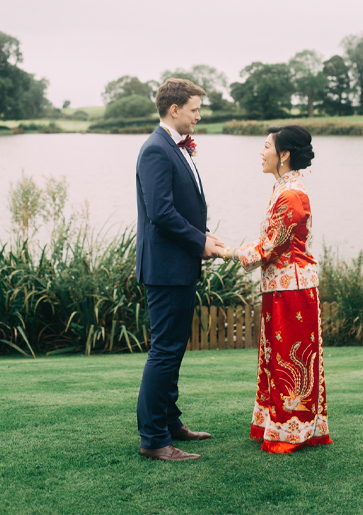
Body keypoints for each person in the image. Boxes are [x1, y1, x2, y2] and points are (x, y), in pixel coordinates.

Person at [218, 125, 331, 454]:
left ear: (284, 155)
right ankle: (285, 425)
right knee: (278, 356)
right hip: (283, 287)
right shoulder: (284, 188)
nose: (261, 151)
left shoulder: (291, 195)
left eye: (266, 146)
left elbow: (270, 247)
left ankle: (290, 432)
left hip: (292, 290)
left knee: (289, 359)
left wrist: (225, 251)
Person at [134, 78, 224, 461]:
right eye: (194, 109)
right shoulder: (156, 149)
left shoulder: (174, 147)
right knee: (165, 352)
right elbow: (161, 213)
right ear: (174, 110)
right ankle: (154, 439)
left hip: (178, 264)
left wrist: (203, 235)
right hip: (166, 268)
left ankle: (171, 424)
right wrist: (200, 241)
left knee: (173, 350)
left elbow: (181, 209)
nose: (198, 116)